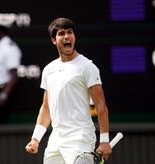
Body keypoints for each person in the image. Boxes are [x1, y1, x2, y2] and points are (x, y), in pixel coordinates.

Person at [25, 17, 111, 163]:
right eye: (61, 33)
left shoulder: (88, 67)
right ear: (54, 40)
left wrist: (104, 140)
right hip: (55, 140)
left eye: (70, 32)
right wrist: (36, 138)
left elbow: (101, 106)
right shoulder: (49, 70)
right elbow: (46, 108)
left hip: (80, 138)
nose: (67, 36)